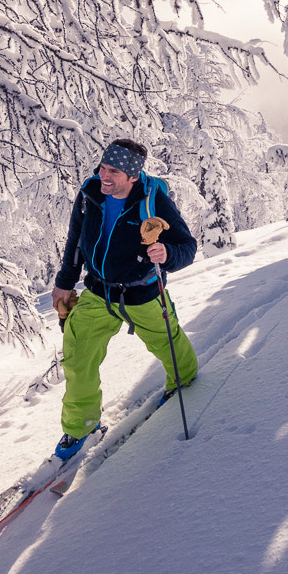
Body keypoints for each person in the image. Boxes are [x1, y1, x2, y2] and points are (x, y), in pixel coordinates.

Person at [50, 138, 199, 460]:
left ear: (132, 176)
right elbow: (76, 241)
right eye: (102, 167)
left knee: (166, 341)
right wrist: (64, 284)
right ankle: (81, 426)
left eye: (113, 171)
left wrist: (167, 253)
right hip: (98, 291)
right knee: (77, 358)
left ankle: (184, 380)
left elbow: (186, 246)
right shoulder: (90, 194)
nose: (104, 175)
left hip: (142, 292)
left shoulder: (152, 199)